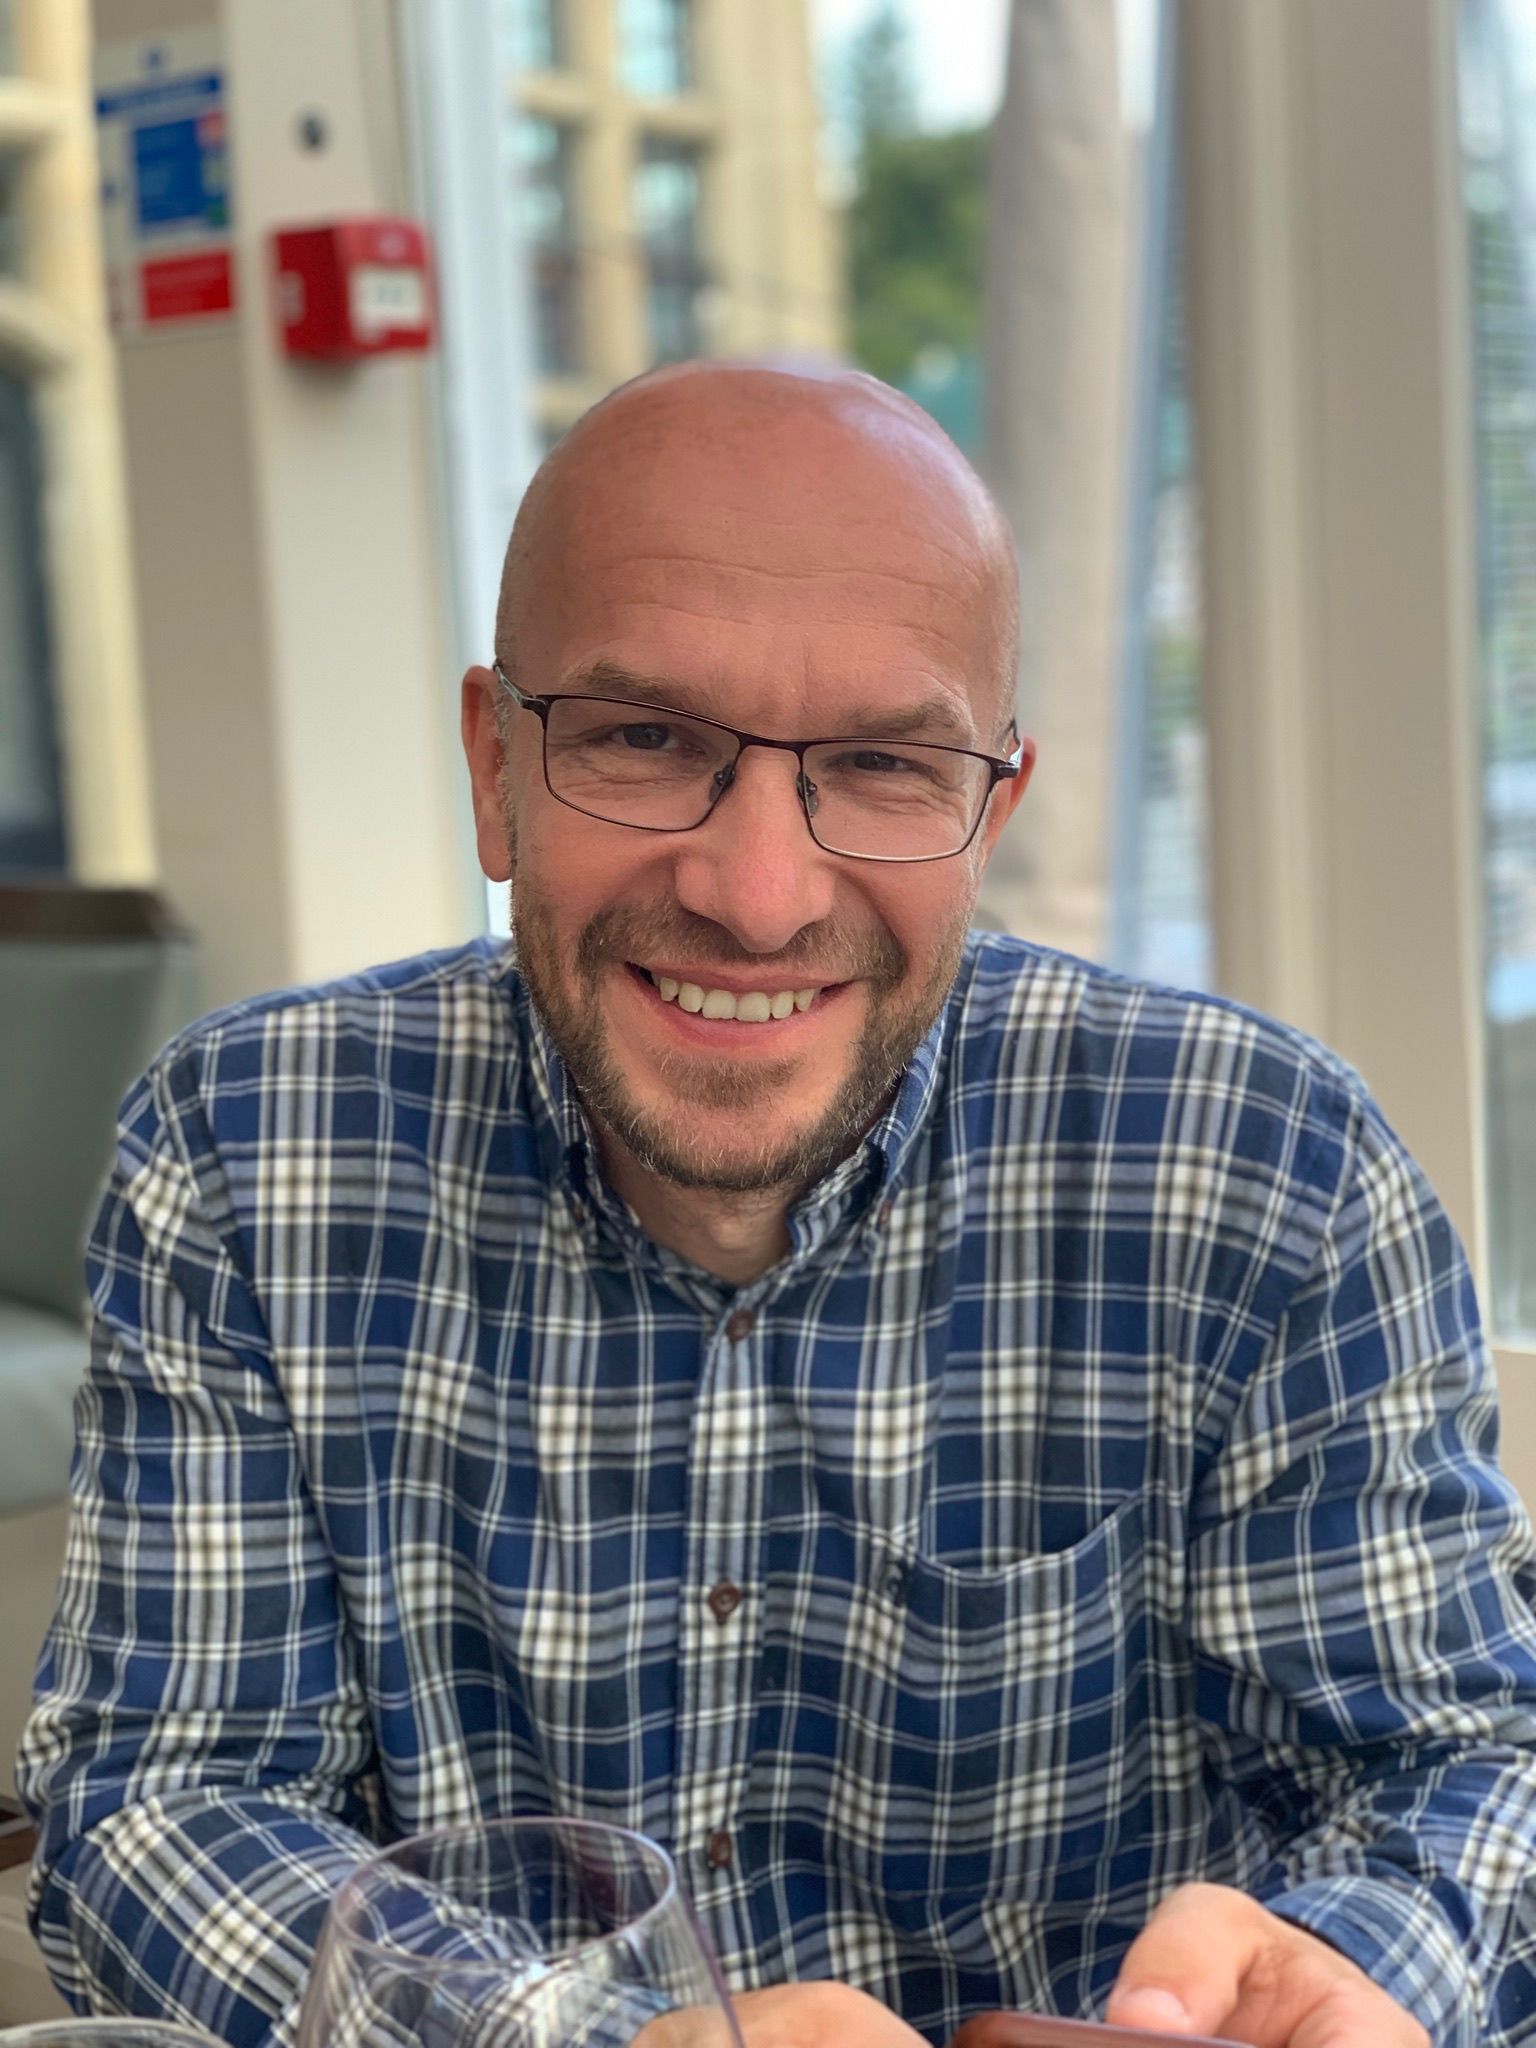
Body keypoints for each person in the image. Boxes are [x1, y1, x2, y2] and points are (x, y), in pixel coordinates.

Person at [18, 362, 1536, 2048]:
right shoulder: (249, 1154)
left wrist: (1362, 1976)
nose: (755, 895)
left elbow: (1459, 1763)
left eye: (885, 764)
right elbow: (162, 1794)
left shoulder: (1268, 1170)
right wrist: (578, 2040)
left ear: (990, 813)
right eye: (645, 738)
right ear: (495, 766)